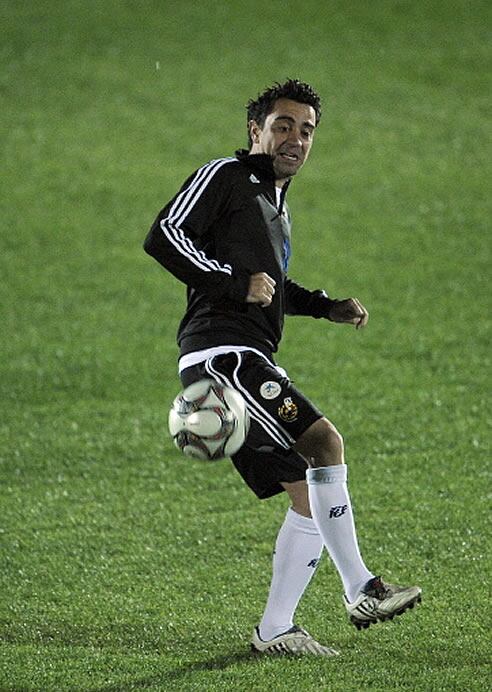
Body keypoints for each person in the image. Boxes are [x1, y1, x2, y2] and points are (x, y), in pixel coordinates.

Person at [144, 79, 421, 657]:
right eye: (283, 125)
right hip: (224, 357)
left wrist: (325, 306)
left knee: (308, 493)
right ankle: (362, 589)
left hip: (246, 357)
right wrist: (233, 282)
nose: (295, 138)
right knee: (325, 442)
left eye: (306, 130)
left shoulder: (274, 201)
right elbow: (164, 236)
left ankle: (276, 631)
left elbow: (268, 288)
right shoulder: (225, 175)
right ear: (256, 131)